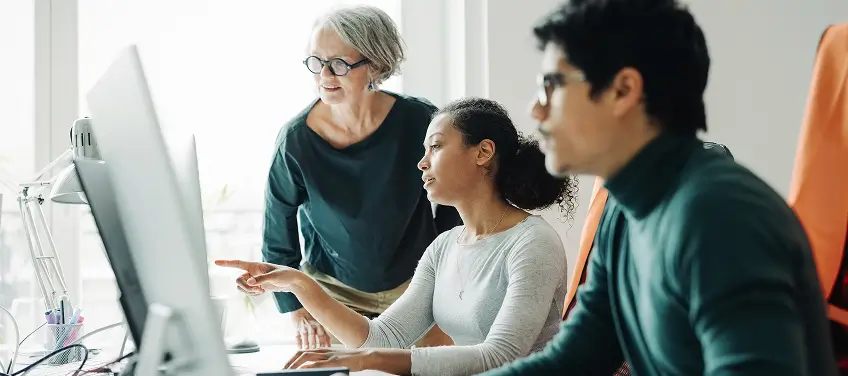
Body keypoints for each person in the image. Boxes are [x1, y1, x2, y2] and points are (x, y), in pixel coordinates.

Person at [482, 0, 838, 375]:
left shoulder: (720, 215)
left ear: (623, 91)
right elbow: (575, 358)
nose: (536, 110)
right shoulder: (624, 210)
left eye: (551, 86)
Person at [217, 97, 579, 376]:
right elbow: (381, 337)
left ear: (483, 152)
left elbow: (500, 356)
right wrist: (297, 283)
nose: (422, 163)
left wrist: (367, 360)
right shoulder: (444, 247)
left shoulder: (533, 243)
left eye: (435, 147)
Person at [258, 4, 460, 349]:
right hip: (333, 296)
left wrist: (445, 284)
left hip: (416, 290)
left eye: (338, 64)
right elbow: (278, 235)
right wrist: (297, 310)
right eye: (316, 62)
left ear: (376, 65)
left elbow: (454, 205)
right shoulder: (295, 140)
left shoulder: (420, 120)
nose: (324, 76)